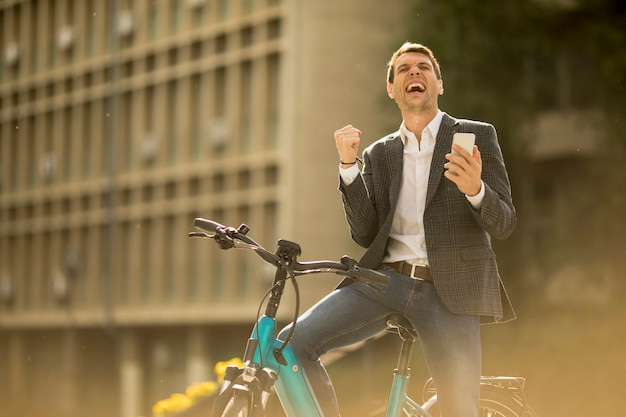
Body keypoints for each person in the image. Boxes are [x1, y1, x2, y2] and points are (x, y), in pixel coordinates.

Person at [278, 42, 516, 417]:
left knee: (459, 410)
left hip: (449, 291)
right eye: (404, 69)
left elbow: (504, 222)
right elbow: (365, 232)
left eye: (423, 67)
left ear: (439, 83)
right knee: (291, 345)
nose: (414, 73)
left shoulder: (477, 135)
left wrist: (476, 190)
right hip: (385, 284)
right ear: (392, 88)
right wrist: (347, 168)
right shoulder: (379, 153)